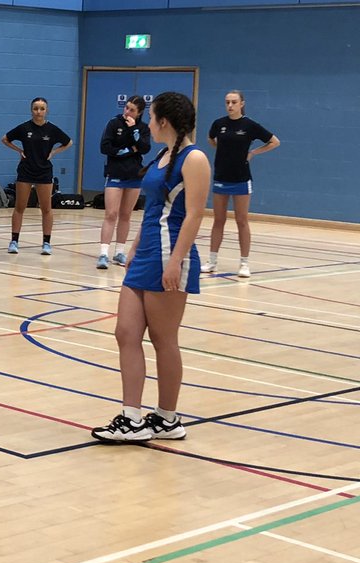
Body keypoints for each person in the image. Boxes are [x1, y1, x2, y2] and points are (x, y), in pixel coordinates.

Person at [92, 92, 208, 443]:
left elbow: (194, 214)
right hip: (146, 256)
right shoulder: (162, 154)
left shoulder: (195, 158)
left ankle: (168, 419)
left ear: (164, 121)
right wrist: (134, 245)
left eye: (152, 116)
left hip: (172, 255)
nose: (148, 124)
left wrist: (175, 261)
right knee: (125, 332)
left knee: (163, 339)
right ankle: (132, 417)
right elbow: (155, 207)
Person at [204, 90, 279, 278]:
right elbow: (210, 138)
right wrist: (221, 149)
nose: (230, 105)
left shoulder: (250, 125)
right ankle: (212, 261)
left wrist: (253, 153)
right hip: (221, 177)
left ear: (242, 103)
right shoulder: (218, 124)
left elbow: (274, 142)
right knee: (218, 220)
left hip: (241, 179)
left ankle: (244, 263)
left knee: (241, 221)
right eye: (227, 102)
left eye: (234, 102)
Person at [2, 97, 72, 256]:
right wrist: (18, 150)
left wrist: (54, 152)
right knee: (20, 207)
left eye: (42, 108)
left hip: (44, 171)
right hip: (26, 171)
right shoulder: (24, 127)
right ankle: (14, 241)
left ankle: (46, 242)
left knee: (46, 208)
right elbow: (5, 139)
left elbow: (68, 142)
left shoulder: (52, 130)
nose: (38, 111)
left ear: (46, 110)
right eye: (35, 108)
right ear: (31, 110)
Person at [98, 95, 151, 270]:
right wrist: (128, 150)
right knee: (111, 213)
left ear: (140, 112)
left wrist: (134, 131)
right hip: (115, 173)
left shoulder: (142, 128)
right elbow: (105, 147)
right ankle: (103, 253)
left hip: (134, 175)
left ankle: (119, 251)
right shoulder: (114, 124)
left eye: (132, 110)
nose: (127, 112)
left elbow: (144, 147)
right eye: (126, 108)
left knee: (126, 215)